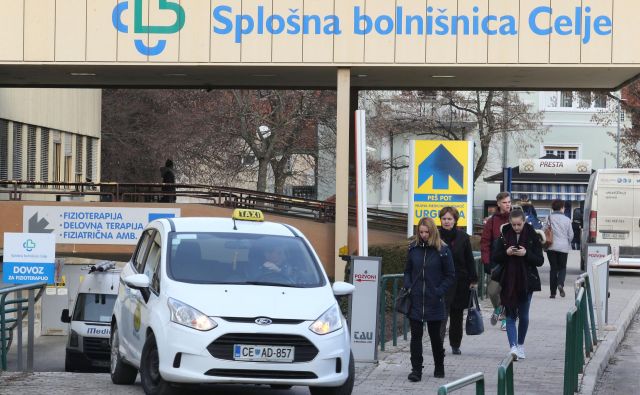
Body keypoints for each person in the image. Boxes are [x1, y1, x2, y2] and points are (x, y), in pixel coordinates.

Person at [404, 217, 455, 381]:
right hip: (416, 300)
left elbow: (450, 275)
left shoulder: (443, 250)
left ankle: (439, 366)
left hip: (434, 300)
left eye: (427, 232)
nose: (424, 235)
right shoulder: (413, 249)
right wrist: (408, 286)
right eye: (421, 232)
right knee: (416, 336)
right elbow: (407, 271)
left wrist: (439, 291)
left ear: (433, 231)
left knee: (435, 337)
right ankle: (416, 370)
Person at [492, 209, 544, 361]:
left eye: (519, 224)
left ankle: (520, 345)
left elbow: (540, 261)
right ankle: (513, 347)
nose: (516, 228)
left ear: (524, 222)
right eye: (513, 224)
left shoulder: (532, 235)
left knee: (524, 315)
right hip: (507, 281)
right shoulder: (503, 235)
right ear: (509, 222)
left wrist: (526, 253)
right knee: (510, 315)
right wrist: (506, 252)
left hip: (526, 281)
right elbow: (496, 257)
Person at [438, 207, 478, 356]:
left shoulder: (463, 237)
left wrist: (473, 279)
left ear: (455, 220)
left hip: (460, 281)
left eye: (449, 219)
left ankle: (455, 344)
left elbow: (469, 259)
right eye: (444, 219)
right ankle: (438, 344)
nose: (446, 221)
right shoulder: (435, 235)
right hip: (441, 281)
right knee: (441, 315)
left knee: (457, 315)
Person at [480, 191, 512, 330]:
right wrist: (486, 261)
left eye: (509, 202)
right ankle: (498, 308)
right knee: (493, 291)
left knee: (507, 292)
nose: (508, 205)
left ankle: (505, 318)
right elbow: (485, 242)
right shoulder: (492, 221)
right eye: (505, 202)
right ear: (498, 203)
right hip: (496, 262)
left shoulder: (515, 218)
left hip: (512, 262)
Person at [545, 199, 574, 298]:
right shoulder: (567, 219)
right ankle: (560, 284)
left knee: (553, 269)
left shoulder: (549, 218)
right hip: (563, 247)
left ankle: (552, 293)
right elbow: (571, 235)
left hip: (551, 246)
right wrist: (567, 242)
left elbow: (544, 230)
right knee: (562, 268)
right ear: (562, 208)